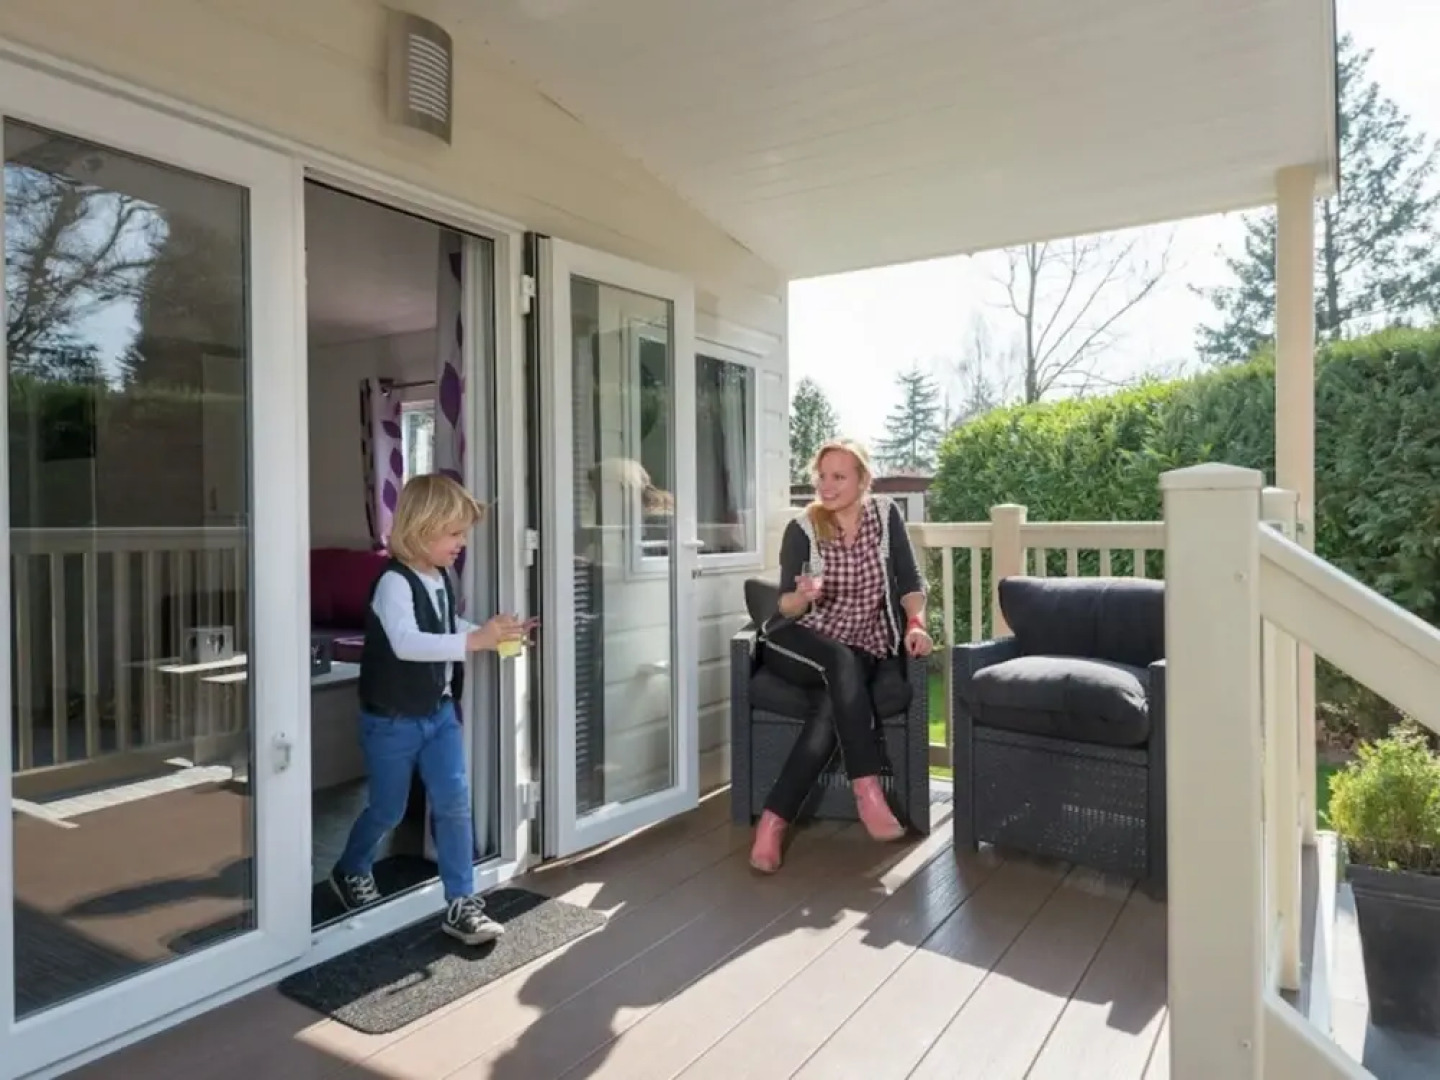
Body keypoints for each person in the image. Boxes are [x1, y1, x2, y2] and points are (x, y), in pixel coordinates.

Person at [330, 473, 529, 944]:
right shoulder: (392, 583)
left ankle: (462, 902)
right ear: (422, 529)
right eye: (454, 533)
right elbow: (405, 642)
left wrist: (490, 632)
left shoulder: (437, 576)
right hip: (392, 721)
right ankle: (351, 866)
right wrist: (472, 641)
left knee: (454, 805)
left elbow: (443, 623)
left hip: (437, 715)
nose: (461, 543)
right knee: (388, 809)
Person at [750, 439, 932, 873]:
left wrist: (916, 623)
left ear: (863, 480)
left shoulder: (886, 518)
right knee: (841, 662)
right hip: (798, 640)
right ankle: (868, 790)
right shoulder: (803, 528)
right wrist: (801, 596)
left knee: (834, 699)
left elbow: (910, 582)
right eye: (822, 476)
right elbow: (784, 607)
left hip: (864, 641)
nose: (826, 486)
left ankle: (773, 823)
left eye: (838, 477)